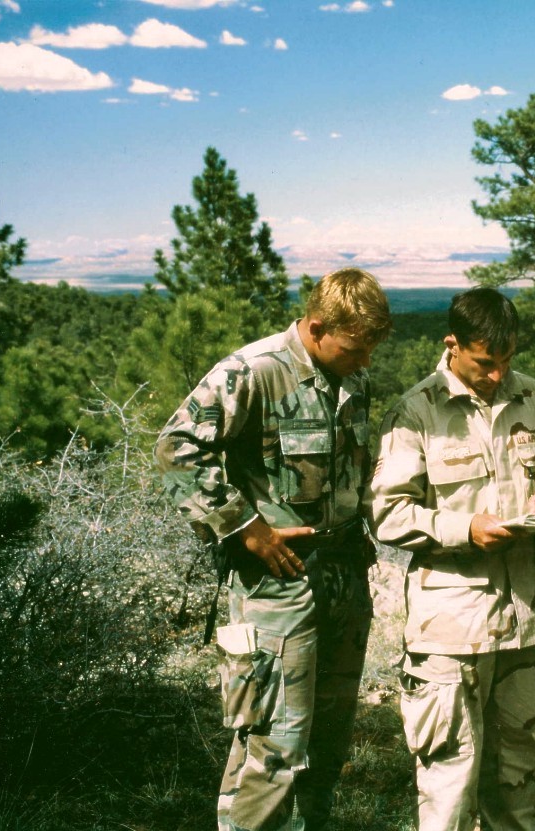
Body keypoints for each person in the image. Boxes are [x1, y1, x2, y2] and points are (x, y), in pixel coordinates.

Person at [154, 268, 392, 831]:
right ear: (316, 327)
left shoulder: (352, 378)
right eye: (355, 348)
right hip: (278, 584)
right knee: (274, 740)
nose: (365, 362)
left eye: (371, 349)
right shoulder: (254, 371)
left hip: (342, 577)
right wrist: (243, 526)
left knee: (327, 739)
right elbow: (175, 447)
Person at [368, 287, 535, 831]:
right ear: (452, 345)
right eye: (485, 363)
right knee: (449, 784)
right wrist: (464, 528)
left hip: (521, 622)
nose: (496, 375)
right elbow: (387, 514)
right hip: (449, 629)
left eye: (507, 361)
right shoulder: (416, 413)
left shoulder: (531, 397)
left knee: (518, 774)